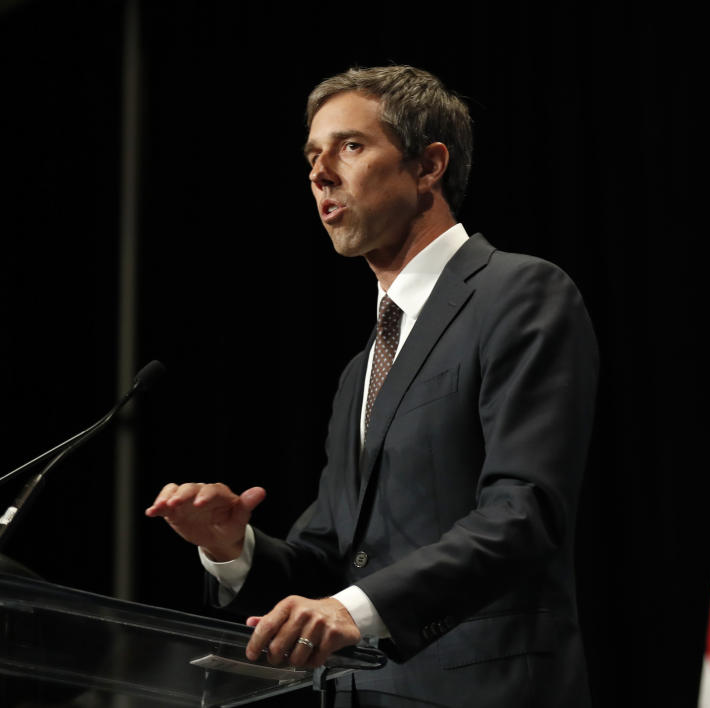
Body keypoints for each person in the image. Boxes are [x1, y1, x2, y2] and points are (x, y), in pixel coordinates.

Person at [146, 65, 598, 708]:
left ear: (429, 166)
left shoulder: (520, 294)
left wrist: (354, 611)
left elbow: (524, 513)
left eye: (349, 146)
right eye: (311, 155)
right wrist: (233, 549)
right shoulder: (362, 367)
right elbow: (332, 557)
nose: (319, 172)